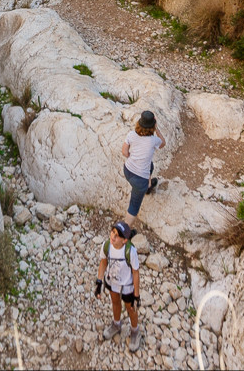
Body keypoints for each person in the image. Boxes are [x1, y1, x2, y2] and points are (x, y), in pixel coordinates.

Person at [95, 221, 143, 352]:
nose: (113, 237)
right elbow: (103, 262)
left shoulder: (130, 251)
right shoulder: (106, 246)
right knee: (115, 302)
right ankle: (116, 324)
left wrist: (136, 295)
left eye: (117, 235)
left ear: (124, 240)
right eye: (113, 232)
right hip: (113, 283)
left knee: (130, 308)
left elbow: (135, 272)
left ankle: (135, 331)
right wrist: (99, 282)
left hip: (127, 286)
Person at [121, 110, 165, 229]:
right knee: (134, 205)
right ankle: (124, 231)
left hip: (128, 170)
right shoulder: (153, 140)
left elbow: (124, 152)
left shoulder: (131, 135)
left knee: (150, 166)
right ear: (152, 126)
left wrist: (134, 159)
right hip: (140, 180)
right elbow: (163, 143)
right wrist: (157, 130)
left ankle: (148, 187)